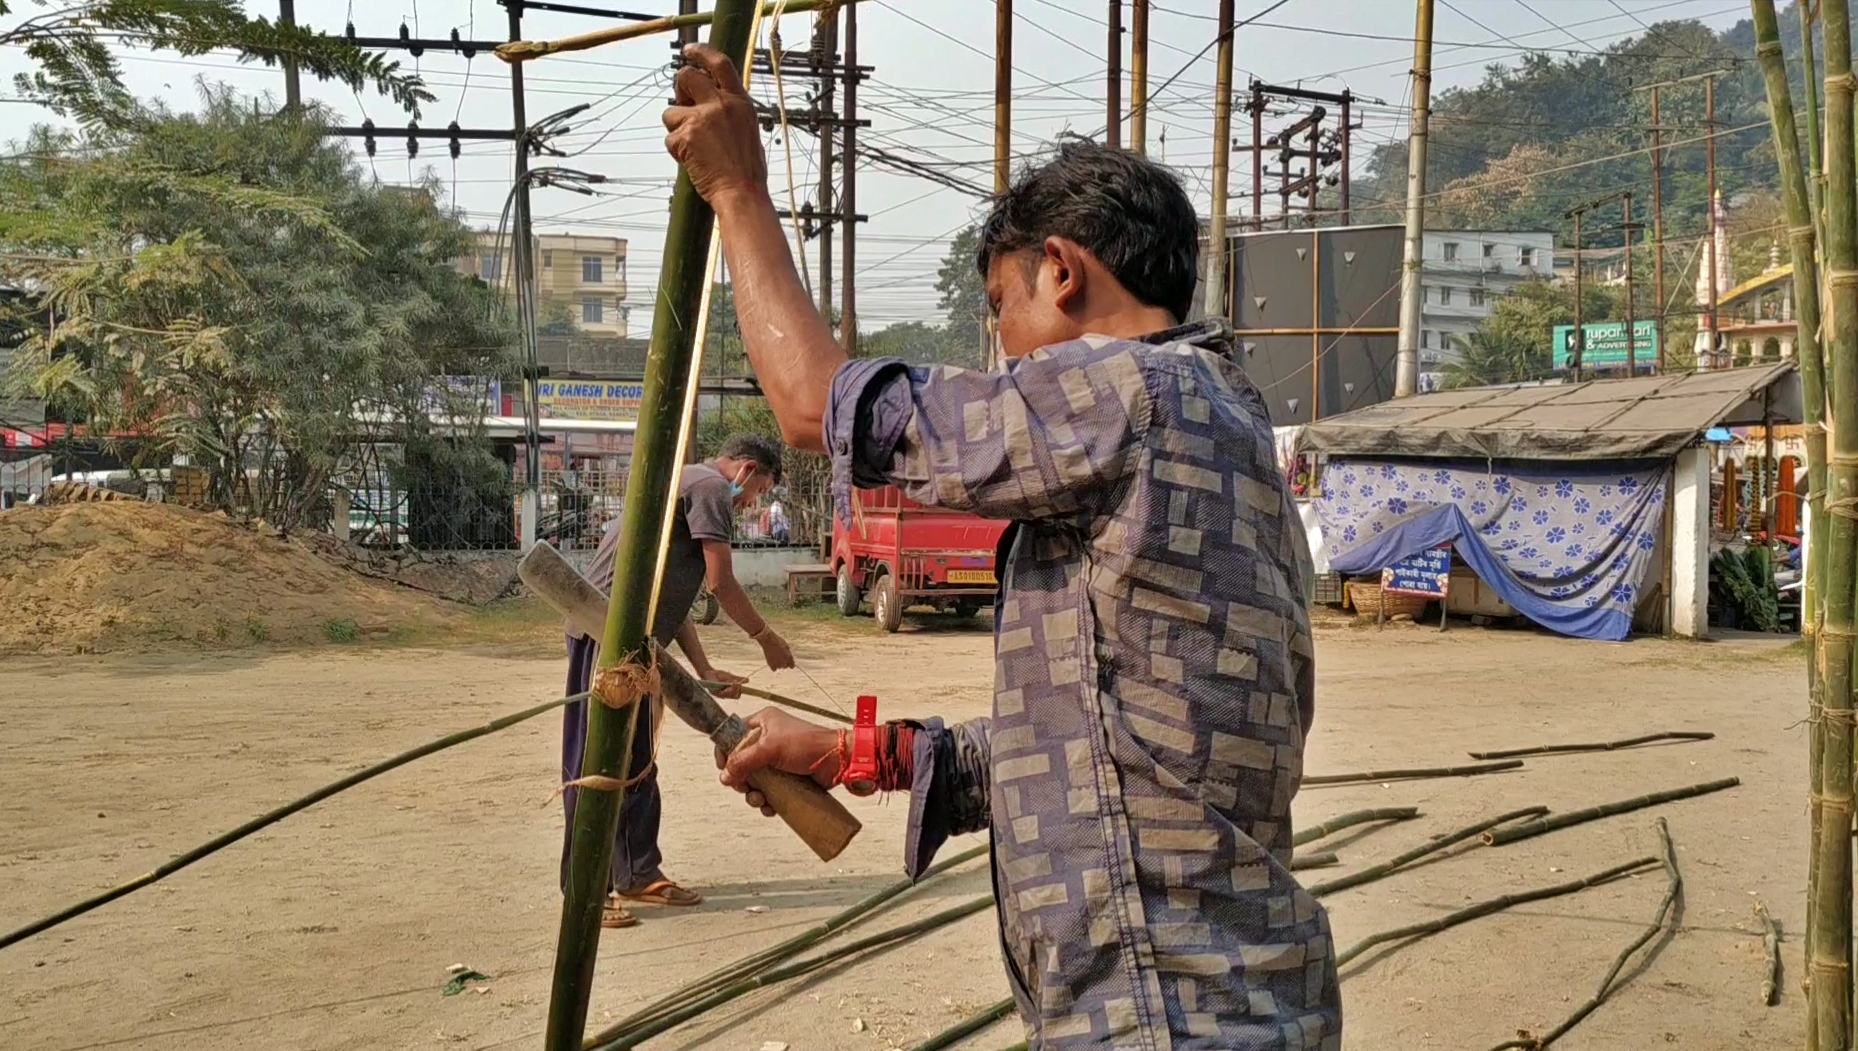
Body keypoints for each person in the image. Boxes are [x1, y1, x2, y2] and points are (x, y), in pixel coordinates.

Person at [663, 45, 1336, 1049]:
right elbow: (1107, 755)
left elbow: (812, 406)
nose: (1001, 352)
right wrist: (867, 750)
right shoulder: (1223, 417)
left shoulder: (1124, 390)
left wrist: (737, 190)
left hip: (1158, 1004)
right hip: (1225, 994)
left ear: (1061, 271)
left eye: (1000, 310)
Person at [561, 433, 797, 930]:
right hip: (603, 631)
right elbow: (721, 583)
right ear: (747, 469)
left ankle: (638, 872)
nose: (753, 503)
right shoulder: (711, 487)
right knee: (595, 760)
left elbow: (673, 599)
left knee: (638, 759)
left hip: (639, 641)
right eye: (758, 492)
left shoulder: (692, 483)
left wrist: (705, 669)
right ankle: (584, 889)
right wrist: (765, 636)